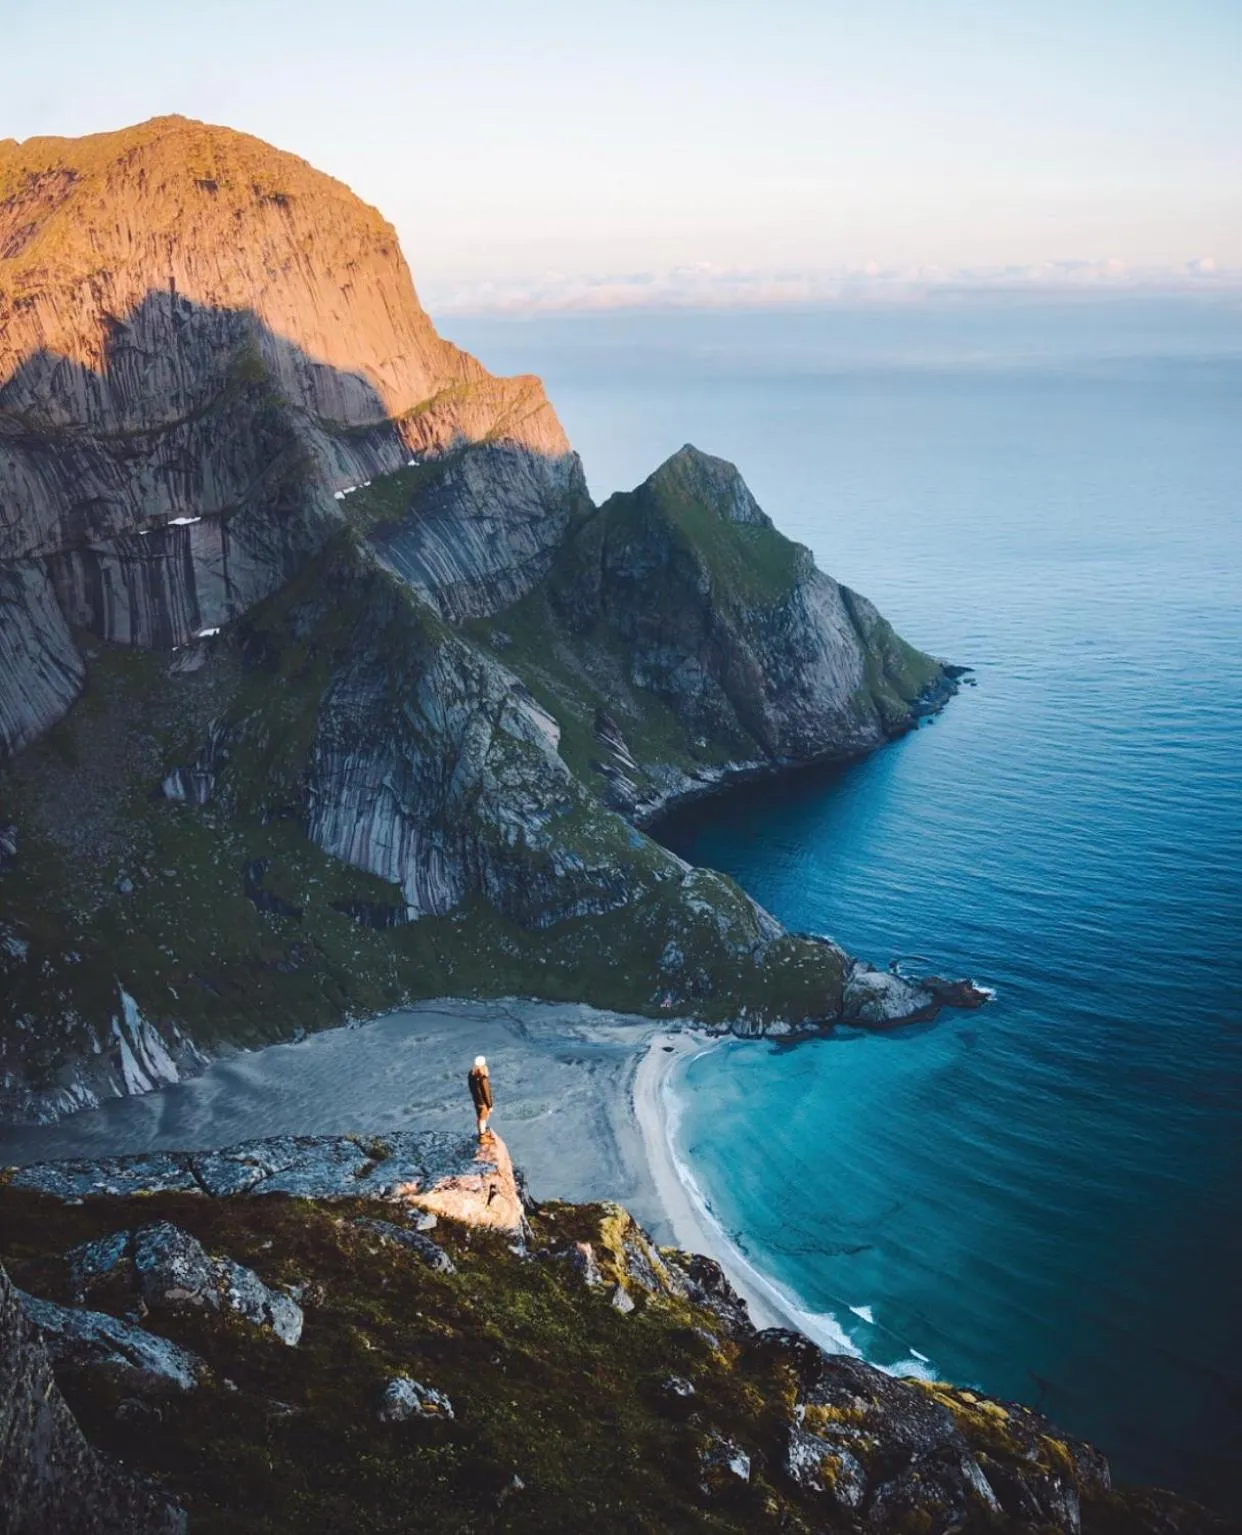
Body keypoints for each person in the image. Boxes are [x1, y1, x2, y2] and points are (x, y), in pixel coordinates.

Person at [467, 1055, 494, 1138]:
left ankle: (481, 1133)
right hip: (483, 1103)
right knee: (483, 1119)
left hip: (477, 1100)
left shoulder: (471, 1075)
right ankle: (483, 1135)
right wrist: (490, 1106)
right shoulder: (483, 1078)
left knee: (479, 1118)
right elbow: (486, 1093)